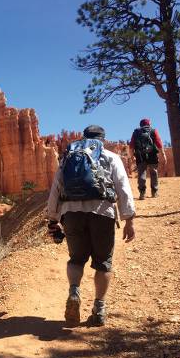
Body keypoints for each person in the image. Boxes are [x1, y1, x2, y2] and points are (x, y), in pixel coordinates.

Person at [47, 125, 136, 327]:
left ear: (83, 138)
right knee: (103, 262)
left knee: (76, 259)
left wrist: (52, 218)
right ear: (102, 139)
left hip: (71, 213)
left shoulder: (69, 158)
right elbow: (123, 187)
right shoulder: (111, 157)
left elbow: (56, 188)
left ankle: (74, 292)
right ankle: (99, 309)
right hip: (102, 212)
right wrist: (129, 218)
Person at [129, 118, 167, 199]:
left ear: (140, 125)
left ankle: (142, 193)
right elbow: (159, 143)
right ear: (149, 124)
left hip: (140, 156)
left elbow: (131, 146)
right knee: (154, 172)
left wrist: (132, 156)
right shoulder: (153, 131)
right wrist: (163, 154)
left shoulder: (136, 132)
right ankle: (154, 192)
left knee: (142, 173)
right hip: (152, 154)